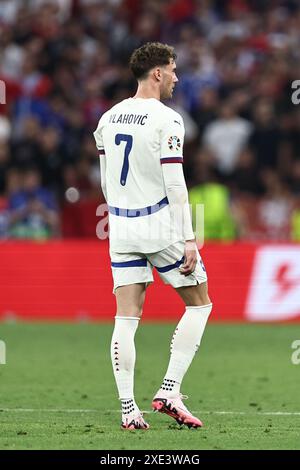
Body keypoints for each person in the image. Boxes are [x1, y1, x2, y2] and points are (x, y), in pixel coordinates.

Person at [94, 42, 212, 430]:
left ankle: (128, 410)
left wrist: (121, 214)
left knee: (125, 319)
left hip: (121, 225)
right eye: (173, 70)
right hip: (159, 225)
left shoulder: (108, 119)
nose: (177, 77)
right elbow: (175, 182)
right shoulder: (168, 120)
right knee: (200, 304)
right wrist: (190, 237)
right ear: (157, 73)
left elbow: (107, 183)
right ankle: (169, 390)